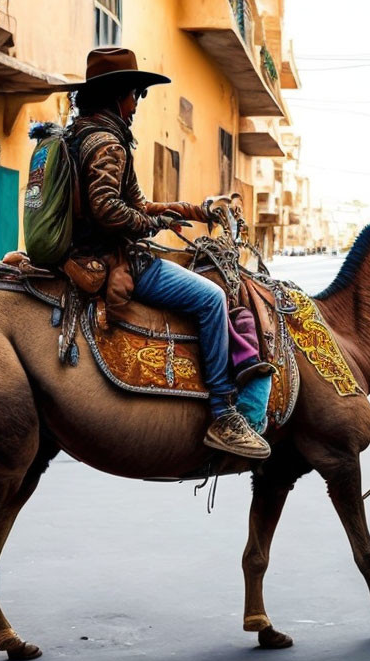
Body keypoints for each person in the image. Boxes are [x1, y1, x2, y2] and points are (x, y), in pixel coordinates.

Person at [65, 47, 270, 460]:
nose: (138, 103)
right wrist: (154, 226)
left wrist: (194, 211)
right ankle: (222, 413)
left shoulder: (83, 134)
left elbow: (137, 203)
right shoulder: (109, 143)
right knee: (213, 298)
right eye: (135, 94)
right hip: (112, 258)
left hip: (82, 249)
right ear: (118, 95)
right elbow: (109, 208)